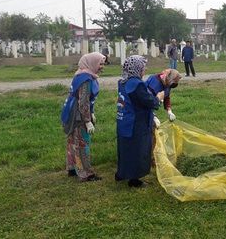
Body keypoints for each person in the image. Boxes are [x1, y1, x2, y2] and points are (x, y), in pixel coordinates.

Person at [115, 55, 164, 188]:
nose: (145, 69)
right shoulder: (137, 84)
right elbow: (149, 102)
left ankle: (121, 173)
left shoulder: (123, 81)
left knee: (125, 148)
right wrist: (158, 97)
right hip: (136, 123)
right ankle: (134, 179)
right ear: (136, 68)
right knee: (138, 149)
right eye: (143, 67)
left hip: (124, 120)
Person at [60, 52, 105, 182]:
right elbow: (83, 102)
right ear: (91, 63)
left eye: (102, 64)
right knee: (81, 142)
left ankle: (73, 168)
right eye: (100, 64)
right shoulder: (86, 79)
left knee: (72, 141)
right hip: (78, 115)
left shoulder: (82, 74)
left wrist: (92, 113)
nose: (102, 66)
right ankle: (86, 173)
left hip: (72, 111)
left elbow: (87, 100)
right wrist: (87, 121)